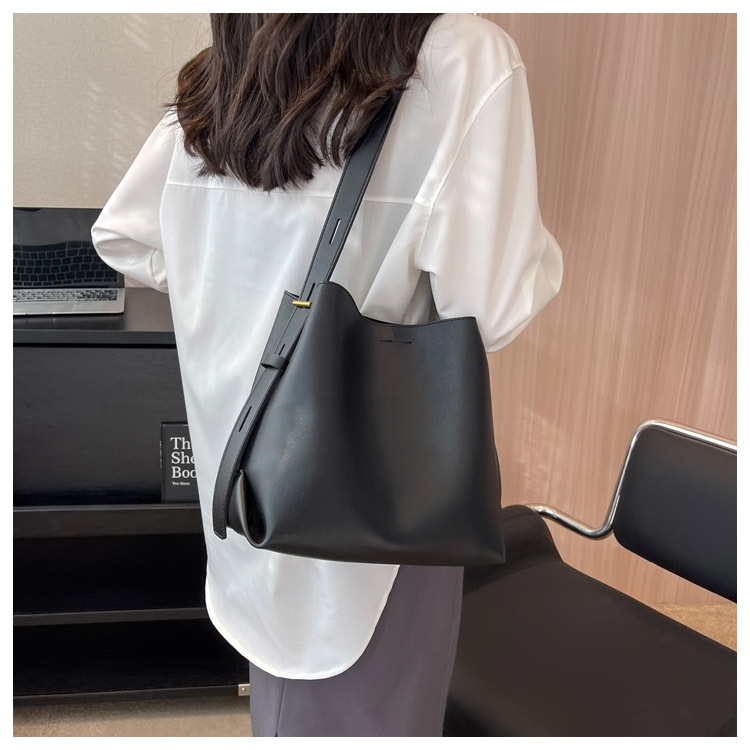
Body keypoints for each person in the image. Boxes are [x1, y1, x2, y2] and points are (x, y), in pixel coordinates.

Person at [91, 12, 563, 737]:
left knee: (289, 704)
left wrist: (237, 293)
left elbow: (124, 236)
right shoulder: (459, 57)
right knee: (370, 710)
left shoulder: (233, 67)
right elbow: (494, 309)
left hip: (245, 477)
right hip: (375, 497)